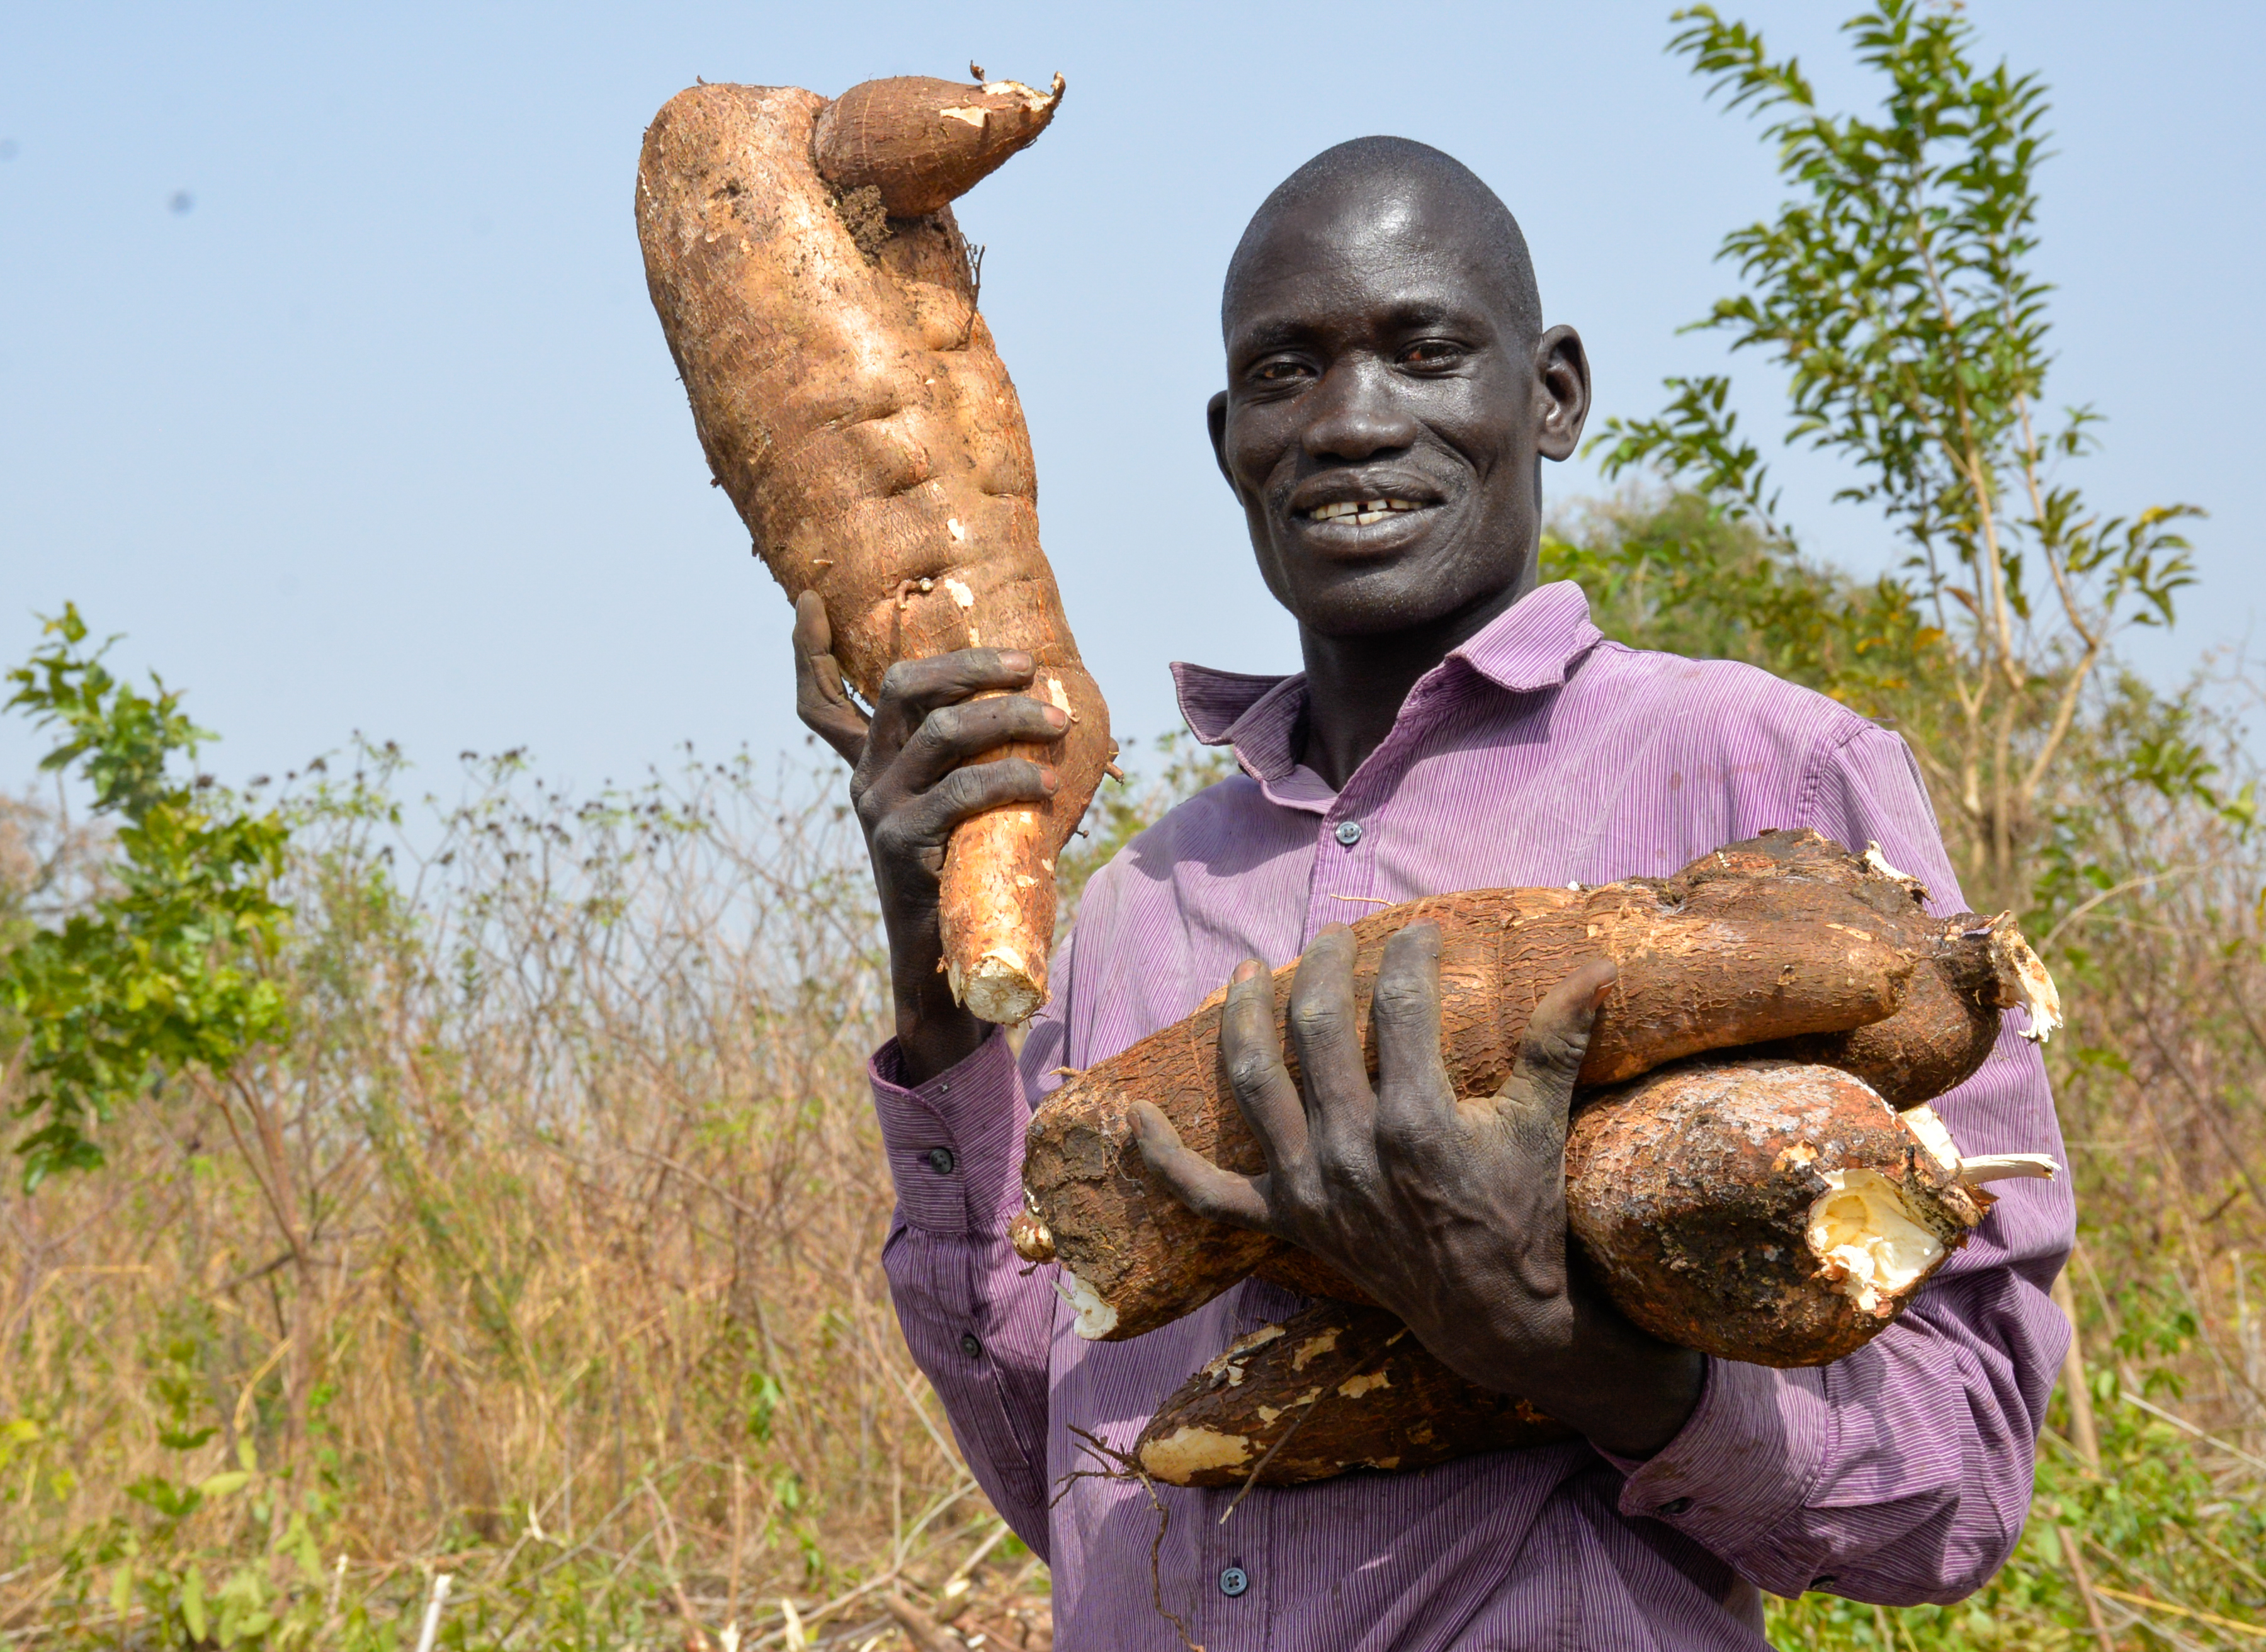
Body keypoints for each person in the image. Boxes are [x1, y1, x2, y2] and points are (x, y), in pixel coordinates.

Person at [788, 137, 2070, 1649]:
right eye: (1285, 372)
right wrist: (936, 987)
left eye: (1423, 350)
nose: (1348, 421)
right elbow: (1062, 1467)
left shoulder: (1770, 776)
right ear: (1227, 439)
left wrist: (1570, 1350)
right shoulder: (1146, 900)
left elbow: (1964, 1476)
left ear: (1554, 394)